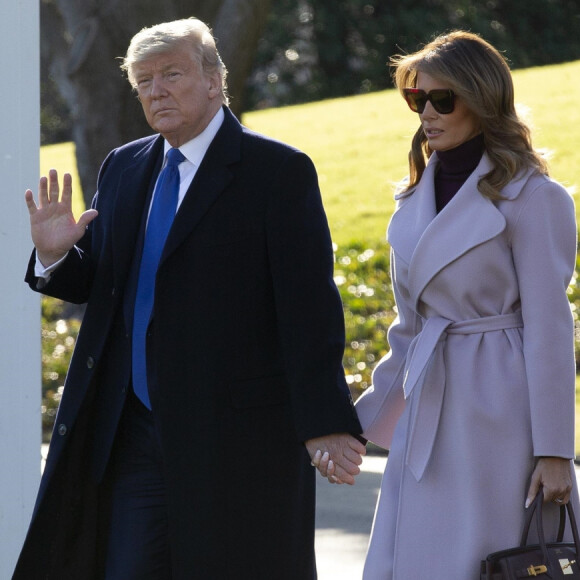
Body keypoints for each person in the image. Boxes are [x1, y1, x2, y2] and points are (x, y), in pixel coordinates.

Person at [13, 17, 365, 580]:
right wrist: (56, 256)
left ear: (214, 81)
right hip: (133, 432)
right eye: (144, 81)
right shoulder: (125, 166)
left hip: (236, 439)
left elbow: (309, 308)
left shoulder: (277, 172)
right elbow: (104, 284)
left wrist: (324, 418)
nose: (156, 91)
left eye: (171, 74)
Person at [353, 30, 580, 579]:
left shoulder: (533, 197)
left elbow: (550, 327)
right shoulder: (410, 200)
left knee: (491, 554)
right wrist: (356, 425)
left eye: (442, 99)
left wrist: (554, 450)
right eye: (417, 99)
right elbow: (409, 330)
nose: (427, 112)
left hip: (501, 412)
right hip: (428, 406)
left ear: (480, 99)